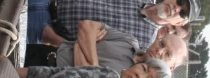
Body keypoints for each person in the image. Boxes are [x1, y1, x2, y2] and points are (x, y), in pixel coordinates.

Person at [26, 0, 201, 47]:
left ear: (179, 23)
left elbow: (92, 54)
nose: (176, 8)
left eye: (182, 13)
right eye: (179, 1)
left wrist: (50, 38)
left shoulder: (141, 43)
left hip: (44, 27)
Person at [57, 21, 188, 71]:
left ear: (171, 68)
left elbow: (86, 34)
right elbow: (86, 26)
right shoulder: (129, 41)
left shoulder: (133, 76)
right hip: (44, 53)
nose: (160, 50)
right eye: (162, 43)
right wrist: (94, 69)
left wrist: (81, 44)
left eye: (167, 54)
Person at [15, 58, 171, 78]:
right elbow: (53, 73)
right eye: (143, 69)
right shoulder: (108, 73)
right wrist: (11, 71)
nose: (139, 77)